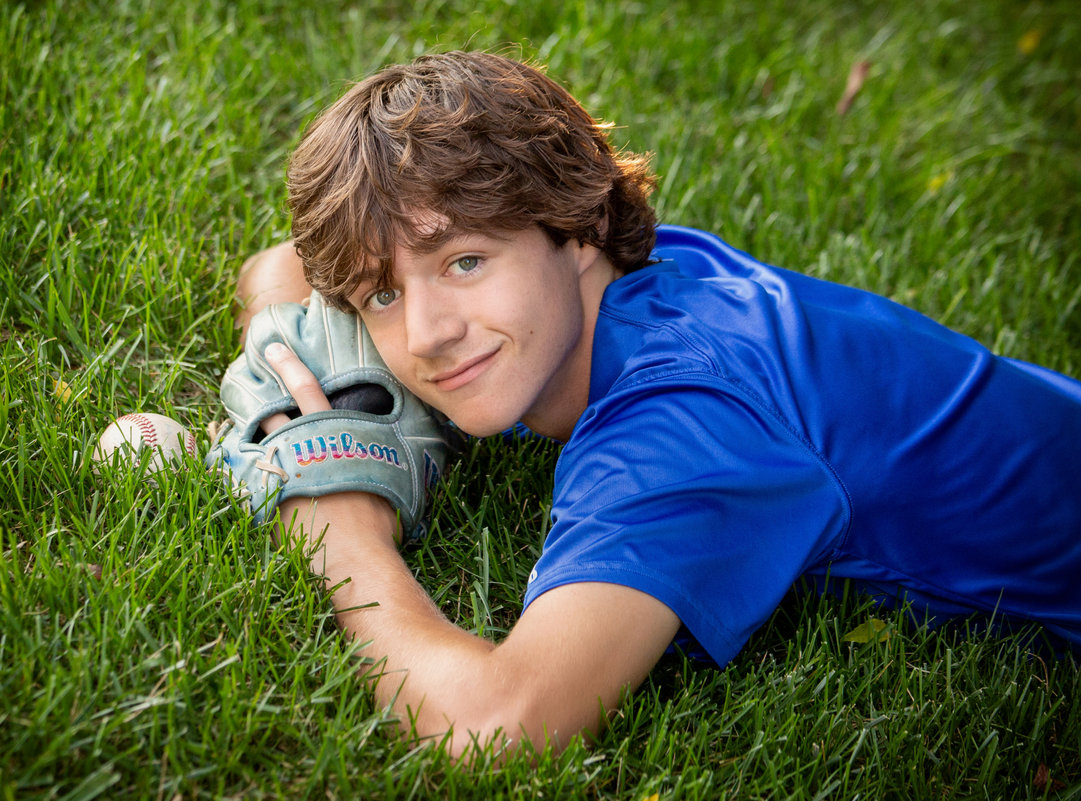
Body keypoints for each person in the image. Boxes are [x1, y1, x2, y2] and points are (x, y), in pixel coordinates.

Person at [228, 50, 1081, 759]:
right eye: (381, 295)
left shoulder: (682, 420)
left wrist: (334, 522)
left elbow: (499, 726)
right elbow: (281, 266)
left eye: (465, 262)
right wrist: (290, 351)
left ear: (582, 228)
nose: (427, 334)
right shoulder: (634, 287)